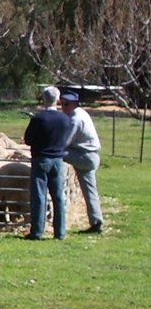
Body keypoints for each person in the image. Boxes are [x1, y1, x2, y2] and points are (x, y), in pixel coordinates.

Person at [23, 86, 73, 240]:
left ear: (44, 99)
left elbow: (28, 139)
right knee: (58, 196)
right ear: (58, 100)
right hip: (58, 160)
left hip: (41, 159)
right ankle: (60, 232)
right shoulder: (65, 119)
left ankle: (37, 231)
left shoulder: (38, 119)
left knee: (39, 195)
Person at [60, 92, 103, 234]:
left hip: (84, 156)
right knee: (90, 189)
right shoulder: (82, 113)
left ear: (73, 104)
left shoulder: (75, 119)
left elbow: (65, 142)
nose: (63, 107)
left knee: (53, 152)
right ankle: (96, 221)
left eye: (65, 104)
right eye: (62, 104)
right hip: (91, 156)